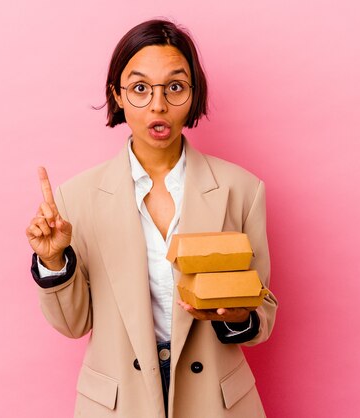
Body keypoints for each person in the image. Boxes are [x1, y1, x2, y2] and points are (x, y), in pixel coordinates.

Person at [25, 19, 278, 418]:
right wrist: (54, 262)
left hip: (215, 401)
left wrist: (240, 315)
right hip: (119, 401)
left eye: (175, 87)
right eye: (140, 88)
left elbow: (263, 309)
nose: (158, 105)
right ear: (118, 95)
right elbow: (73, 324)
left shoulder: (242, 189)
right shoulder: (76, 197)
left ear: (193, 95)